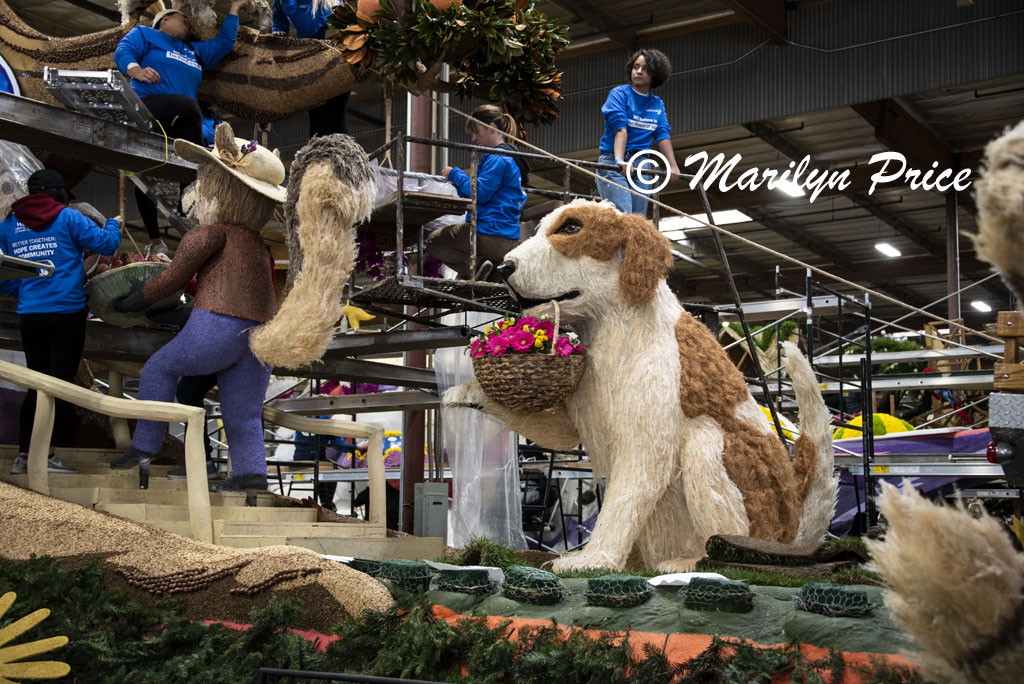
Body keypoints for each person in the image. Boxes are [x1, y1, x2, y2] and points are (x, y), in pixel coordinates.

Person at [0, 169, 122, 475]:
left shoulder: (9, 224)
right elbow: (106, 245)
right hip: (66, 315)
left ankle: (24, 457)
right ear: (58, 194)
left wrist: (26, 289)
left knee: (36, 384)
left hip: (31, 317)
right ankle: (48, 456)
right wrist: (114, 224)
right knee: (58, 386)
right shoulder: (68, 218)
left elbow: (3, 274)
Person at [113, 0, 247, 256]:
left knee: (145, 175)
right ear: (164, 19)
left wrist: (233, 10)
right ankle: (182, 196)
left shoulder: (193, 51)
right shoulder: (146, 34)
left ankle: (167, 227)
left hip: (182, 119)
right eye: (181, 18)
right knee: (188, 108)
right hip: (150, 107)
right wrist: (137, 70)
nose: (187, 22)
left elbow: (224, 44)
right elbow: (123, 52)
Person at [426, 105, 528, 281]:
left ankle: (478, 265)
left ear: (492, 128)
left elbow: (478, 193)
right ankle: (486, 271)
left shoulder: (497, 157)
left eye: (477, 132)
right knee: (463, 279)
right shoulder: (511, 159)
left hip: (489, 234)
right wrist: (459, 183)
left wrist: (455, 174)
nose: (474, 138)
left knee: (434, 241)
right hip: (507, 235)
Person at [596, 48, 681, 216]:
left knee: (638, 220)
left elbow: (662, 135)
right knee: (623, 216)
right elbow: (620, 128)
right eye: (636, 67)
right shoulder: (620, 94)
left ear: (655, 74)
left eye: (645, 69)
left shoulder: (657, 104)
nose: (639, 71)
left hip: (641, 164)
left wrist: (673, 165)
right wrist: (619, 160)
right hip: (613, 161)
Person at [271, 1, 350, 138]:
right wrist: (279, 30)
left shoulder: (325, 3)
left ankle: (345, 157)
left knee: (334, 118)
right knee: (316, 117)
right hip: (312, 65)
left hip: (336, 64)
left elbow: (308, 27)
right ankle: (317, 157)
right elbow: (278, 14)